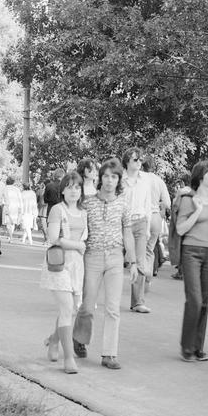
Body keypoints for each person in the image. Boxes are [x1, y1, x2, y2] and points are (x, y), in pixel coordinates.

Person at [72, 158, 139, 370]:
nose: (109, 181)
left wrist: (134, 261)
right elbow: (76, 224)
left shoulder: (122, 203)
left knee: (112, 308)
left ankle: (109, 354)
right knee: (88, 306)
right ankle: (80, 338)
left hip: (115, 258)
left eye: (114, 176)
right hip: (92, 256)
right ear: (100, 178)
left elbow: (128, 232)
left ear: (119, 179)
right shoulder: (88, 202)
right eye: (106, 176)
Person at [40, 171, 88, 374]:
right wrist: (78, 245)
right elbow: (53, 238)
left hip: (77, 264)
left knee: (72, 310)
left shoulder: (84, 212)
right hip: (59, 264)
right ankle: (68, 359)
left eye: (77, 187)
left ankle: (53, 339)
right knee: (67, 308)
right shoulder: (57, 210)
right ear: (62, 190)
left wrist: (80, 247)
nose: (73, 191)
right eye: (69, 187)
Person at [176, 160, 208, 362]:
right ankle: (186, 346)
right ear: (201, 177)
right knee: (195, 299)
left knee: (206, 301)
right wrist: (198, 211)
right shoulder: (188, 199)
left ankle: (197, 347)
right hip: (191, 251)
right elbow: (180, 229)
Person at [122, 148, 152, 313]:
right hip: (121, 223)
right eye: (135, 160)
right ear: (127, 161)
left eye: (140, 160)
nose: (139, 162)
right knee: (111, 259)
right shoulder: (120, 180)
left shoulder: (145, 180)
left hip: (140, 221)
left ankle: (138, 302)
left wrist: (147, 228)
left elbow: (148, 204)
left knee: (140, 262)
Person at [141, 156, 171, 291]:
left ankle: (140, 278)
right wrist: (159, 205)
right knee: (150, 249)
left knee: (139, 250)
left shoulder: (139, 178)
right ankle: (148, 278)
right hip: (155, 217)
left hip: (141, 216)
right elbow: (167, 203)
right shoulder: (159, 181)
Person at [3, 176, 23, 243]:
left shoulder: (4, 188)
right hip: (15, 207)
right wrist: (20, 208)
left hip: (7, 206)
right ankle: (11, 236)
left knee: (8, 222)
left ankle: (11, 237)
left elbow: (2, 199)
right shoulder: (16, 189)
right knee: (12, 223)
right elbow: (20, 199)